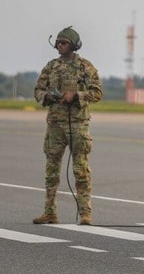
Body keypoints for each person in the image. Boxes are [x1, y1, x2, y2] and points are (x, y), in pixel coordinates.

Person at [33, 26, 102, 225]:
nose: (59, 46)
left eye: (63, 43)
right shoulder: (51, 66)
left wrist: (77, 95)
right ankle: (49, 212)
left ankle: (85, 214)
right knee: (51, 169)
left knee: (80, 169)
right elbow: (38, 90)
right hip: (55, 124)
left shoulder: (85, 67)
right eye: (57, 43)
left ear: (73, 45)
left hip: (77, 124)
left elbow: (97, 92)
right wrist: (47, 96)